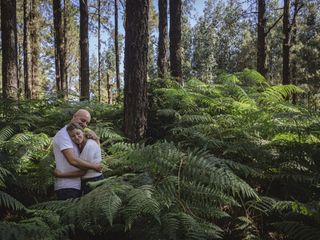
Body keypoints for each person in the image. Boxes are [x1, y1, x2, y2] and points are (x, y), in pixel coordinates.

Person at [53, 109, 102, 200]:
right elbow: (72, 160)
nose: (84, 124)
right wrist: (95, 166)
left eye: (87, 123)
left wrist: (96, 139)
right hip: (66, 186)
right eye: (82, 120)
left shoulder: (78, 137)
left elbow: (94, 153)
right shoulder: (64, 135)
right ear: (74, 116)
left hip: (77, 184)